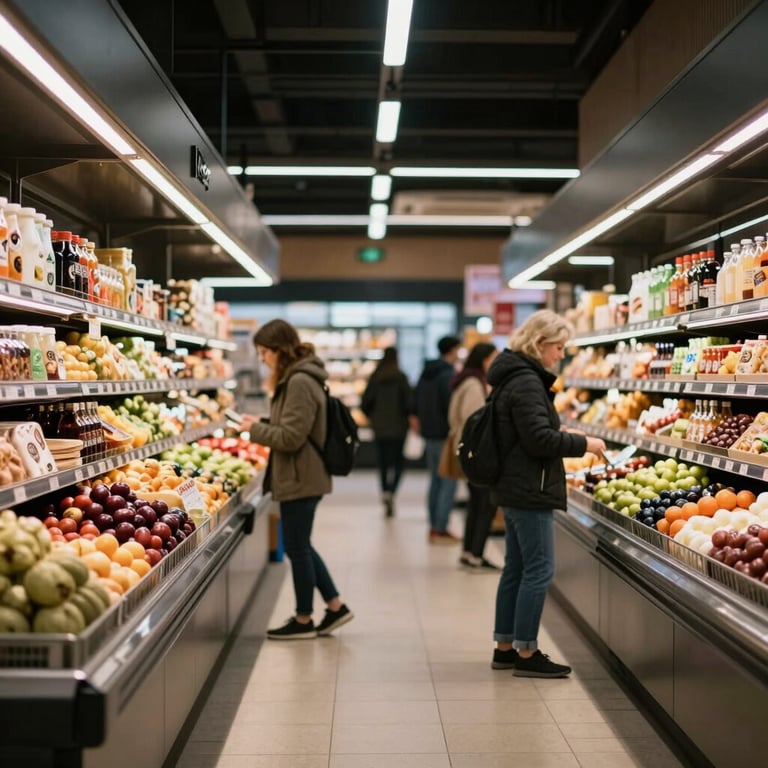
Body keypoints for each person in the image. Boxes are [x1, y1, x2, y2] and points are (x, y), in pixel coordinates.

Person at [486, 309, 605, 677]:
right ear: (539, 344)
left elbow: (529, 432)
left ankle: (505, 646)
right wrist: (583, 441)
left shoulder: (513, 377)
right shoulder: (526, 381)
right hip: (529, 489)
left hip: (515, 485)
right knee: (539, 570)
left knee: (516, 569)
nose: (561, 354)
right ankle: (527, 653)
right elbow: (539, 439)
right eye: (558, 347)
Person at [242, 319, 354, 640]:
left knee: (297, 548)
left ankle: (303, 619)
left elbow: (291, 437)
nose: (262, 359)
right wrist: (260, 421)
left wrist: (252, 431)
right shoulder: (297, 378)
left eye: (265, 352)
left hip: (301, 475)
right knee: (301, 544)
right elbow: (290, 425)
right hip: (299, 473)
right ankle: (334, 606)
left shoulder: (300, 381)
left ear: (280, 350)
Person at [446, 341, 501, 572]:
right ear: (484, 360)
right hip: (477, 453)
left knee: (476, 504)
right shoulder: (473, 383)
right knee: (484, 505)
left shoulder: (467, 379)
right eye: (493, 358)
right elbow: (475, 420)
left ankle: (469, 552)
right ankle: (476, 554)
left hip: (468, 450)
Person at [413, 334, 462, 544]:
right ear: (452, 350)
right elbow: (450, 406)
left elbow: (416, 401)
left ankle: (434, 526)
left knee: (435, 480)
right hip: (444, 434)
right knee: (448, 481)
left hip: (429, 433)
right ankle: (440, 529)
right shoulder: (448, 375)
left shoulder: (426, 373)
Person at [361, 347, 412, 517]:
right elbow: (409, 404)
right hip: (399, 427)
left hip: (380, 427)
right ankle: (392, 491)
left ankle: (384, 491)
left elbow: (365, 402)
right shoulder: (401, 377)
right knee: (398, 462)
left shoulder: (376, 378)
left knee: (382, 462)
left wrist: (373, 417)